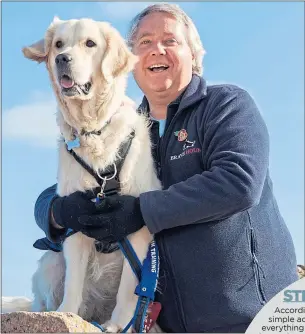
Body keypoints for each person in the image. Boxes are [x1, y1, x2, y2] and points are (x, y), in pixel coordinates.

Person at [34, 3, 298, 333]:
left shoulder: (226, 105)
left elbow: (239, 182)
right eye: (144, 42)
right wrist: (55, 212)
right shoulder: (126, 130)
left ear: (194, 54)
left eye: (170, 40)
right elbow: (76, 181)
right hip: (170, 325)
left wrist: (142, 210)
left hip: (254, 319)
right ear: (127, 61)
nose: (156, 49)